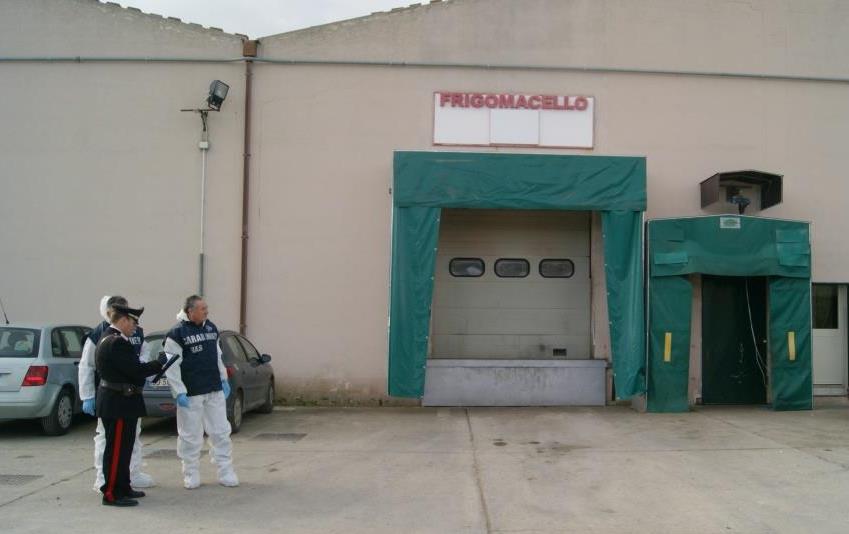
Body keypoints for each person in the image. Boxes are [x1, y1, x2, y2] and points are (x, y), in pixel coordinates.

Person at [78, 295, 155, 492]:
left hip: (129, 397)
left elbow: (143, 354)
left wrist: (144, 367)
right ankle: (106, 482)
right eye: (130, 319)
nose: (134, 325)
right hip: (115, 398)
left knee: (130, 442)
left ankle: (128, 478)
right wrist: (87, 395)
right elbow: (86, 365)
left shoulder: (132, 333)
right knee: (109, 443)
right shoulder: (103, 335)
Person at [163, 295, 239, 489]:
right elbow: (171, 366)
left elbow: (217, 356)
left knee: (221, 431)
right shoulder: (176, 334)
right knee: (190, 435)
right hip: (191, 393)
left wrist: (223, 378)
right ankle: (190, 472)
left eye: (206, 308)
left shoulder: (211, 328)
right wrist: (179, 391)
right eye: (202, 308)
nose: (206, 311)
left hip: (214, 389)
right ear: (190, 311)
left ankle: (225, 470)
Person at [95, 303, 165, 507]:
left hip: (122, 402)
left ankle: (123, 487)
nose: (136, 327)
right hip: (118, 403)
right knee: (116, 450)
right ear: (123, 320)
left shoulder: (113, 338)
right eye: (134, 322)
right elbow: (135, 370)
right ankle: (111, 493)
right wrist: (159, 363)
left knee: (124, 449)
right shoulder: (116, 342)